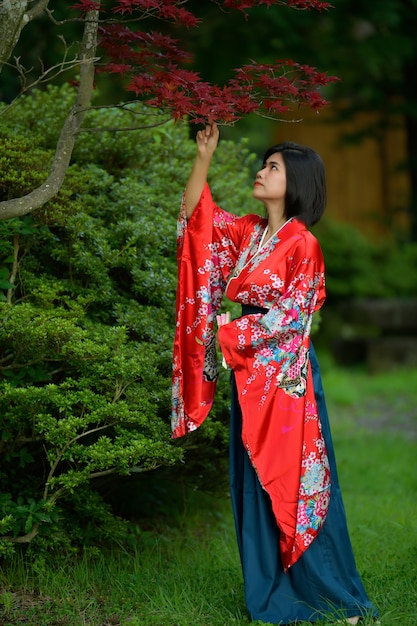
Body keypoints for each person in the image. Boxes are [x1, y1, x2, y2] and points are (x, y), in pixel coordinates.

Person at [171, 123, 378, 625]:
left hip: (286, 383)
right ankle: (270, 591)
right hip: (251, 379)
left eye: (272, 167)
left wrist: (225, 335)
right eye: (264, 165)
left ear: (296, 182)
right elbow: (198, 222)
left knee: (300, 483)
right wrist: (203, 157)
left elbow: (289, 319)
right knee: (254, 484)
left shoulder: (302, 244)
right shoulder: (249, 234)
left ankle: (336, 597)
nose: (261, 173)